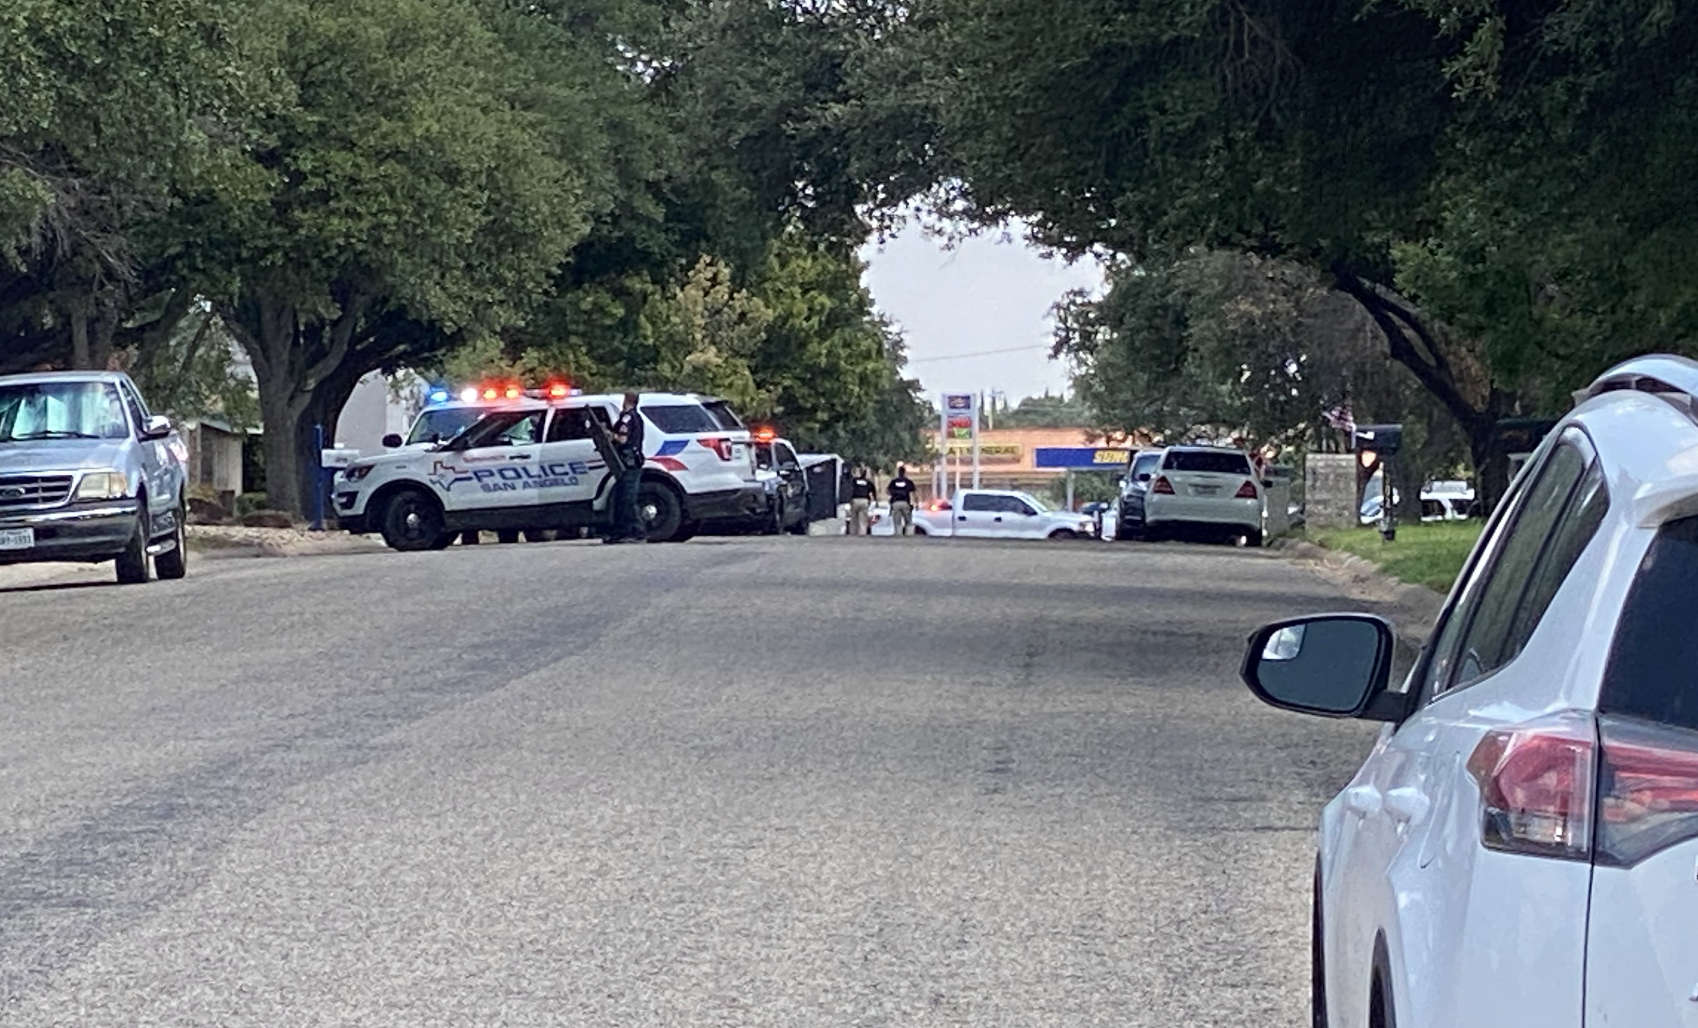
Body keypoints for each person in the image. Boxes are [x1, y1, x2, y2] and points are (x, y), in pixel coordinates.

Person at [607, 392, 646, 543]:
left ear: (627, 401)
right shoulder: (638, 417)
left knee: (627, 498)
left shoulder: (627, 417)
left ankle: (636, 531)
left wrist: (609, 435)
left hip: (628, 462)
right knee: (622, 497)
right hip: (632, 462)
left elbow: (622, 439)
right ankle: (621, 532)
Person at [886, 464, 917, 536]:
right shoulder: (908, 482)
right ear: (904, 472)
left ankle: (898, 535)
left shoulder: (893, 481)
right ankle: (909, 535)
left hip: (895, 503)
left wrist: (894, 494)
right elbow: (914, 493)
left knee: (897, 521)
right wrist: (916, 503)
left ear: (898, 472)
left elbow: (887, 491)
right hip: (905, 502)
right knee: (908, 521)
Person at [848, 465, 877, 535]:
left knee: (853, 519)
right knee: (863, 520)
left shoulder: (854, 481)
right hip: (864, 500)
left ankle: (852, 534)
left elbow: (849, 489)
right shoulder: (868, 482)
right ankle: (862, 534)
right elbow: (873, 491)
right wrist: (875, 500)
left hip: (855, 500)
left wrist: (849, 499)